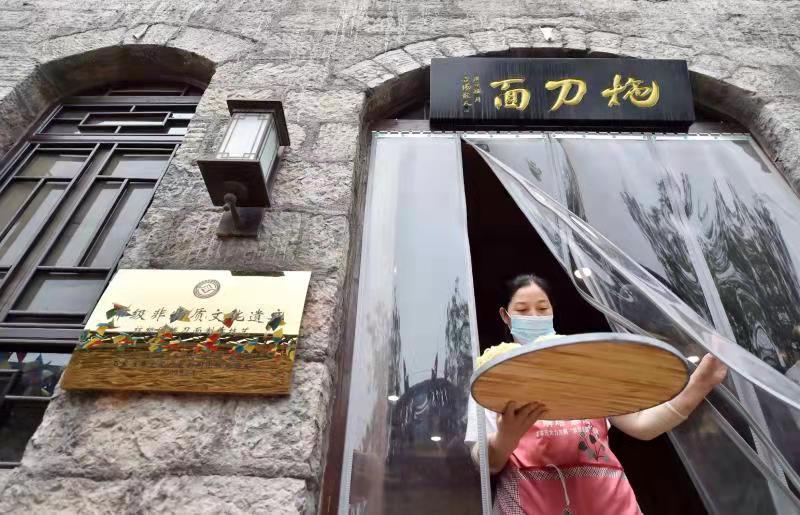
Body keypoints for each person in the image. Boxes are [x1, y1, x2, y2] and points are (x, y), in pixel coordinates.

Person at [465, 274, 728, 514]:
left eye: (542, 309)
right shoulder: (493, 377)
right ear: (505, 316)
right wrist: (505, 439)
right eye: (522, 310)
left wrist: (700, 384)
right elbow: (484, 462)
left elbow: (642, 425)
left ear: (553, 312)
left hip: (612, 506)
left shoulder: (585, 365)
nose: (534, 316)